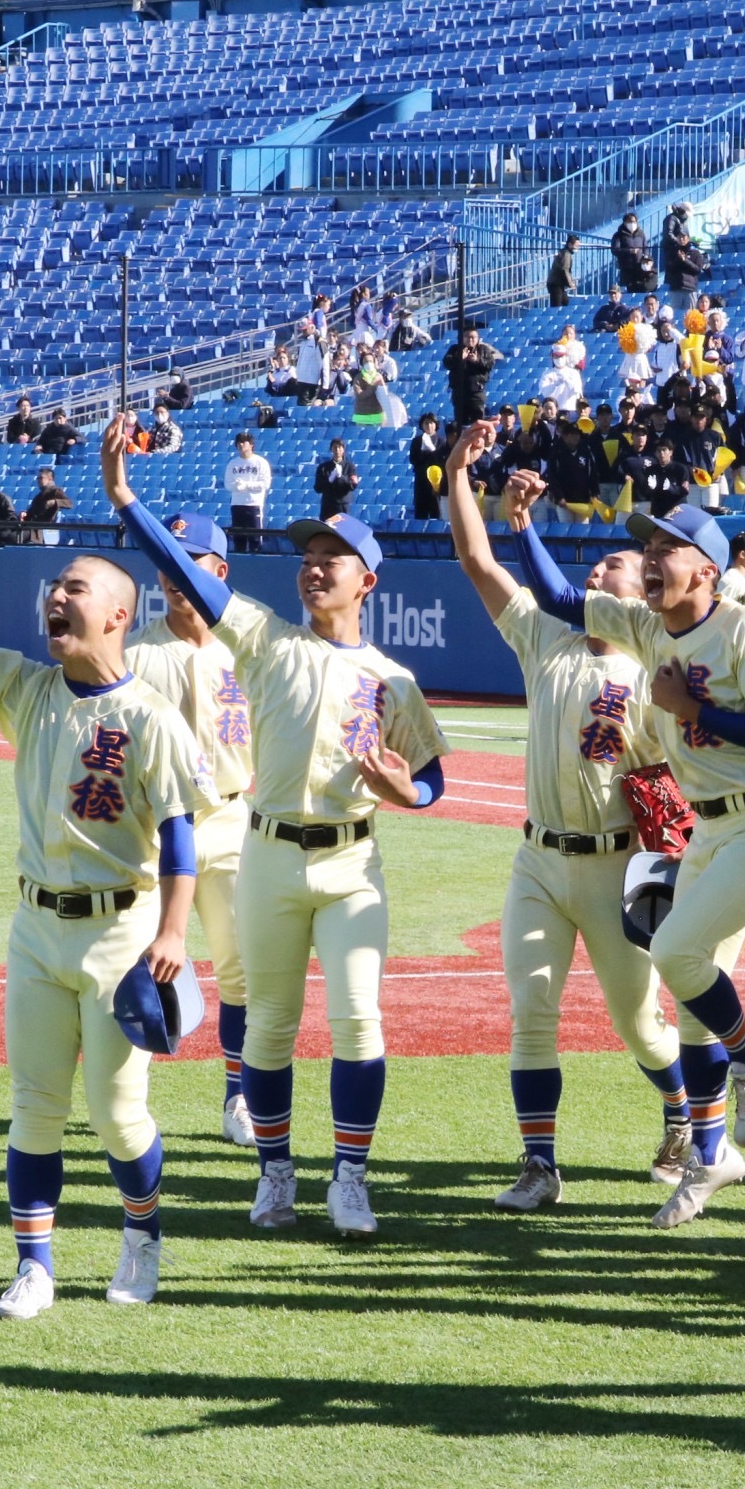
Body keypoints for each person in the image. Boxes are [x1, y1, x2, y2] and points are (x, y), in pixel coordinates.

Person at [107, 414, 450, 1240]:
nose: (312, 569)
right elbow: (187, 577)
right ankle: (275, 1175)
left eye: (330, 559)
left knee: (360, 1019)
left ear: (367, 579)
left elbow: (433, 777)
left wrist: (410, 794)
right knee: (268, 1024)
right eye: (305, 558)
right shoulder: (264, 641)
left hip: (351, 866)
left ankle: (352, 1178)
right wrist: (124, 497)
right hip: (266, 854)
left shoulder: (390, 678)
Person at [0, 515, 199, 1318]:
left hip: (122, 933)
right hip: (36, 931)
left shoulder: (151, 719)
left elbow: (182, 839)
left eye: (75, 588)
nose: (57, 597)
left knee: (119, 1116)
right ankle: (34, 1267)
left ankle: (143, 1234)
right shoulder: (29, 687)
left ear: (118, 615)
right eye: (55, 588)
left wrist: (174, 933)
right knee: (34, 1104)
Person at [510, 456, 745, 1228]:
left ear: (706, 568)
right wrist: (523, 526)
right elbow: (556, 597)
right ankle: (709, 1159)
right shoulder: (645, 626)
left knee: (677, 956)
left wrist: (690, 710)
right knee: (688, 991)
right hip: (708, 829)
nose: (648, 558)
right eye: (644, 546)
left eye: (666, 547)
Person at [437, 423, 695, 1207]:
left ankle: (681, 1111)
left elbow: (683, 783)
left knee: (640, 1025)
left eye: (615, 563)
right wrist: (459, 476)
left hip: (620, 867)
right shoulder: (545, 638)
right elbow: (477, 561)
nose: (602, 568)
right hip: (540, 864)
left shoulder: (658, 669)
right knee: (532, 1007)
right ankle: (540, 1165)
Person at [121, 510, 258, 1147]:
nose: (177, 574)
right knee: (137, 964)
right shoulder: (138, 653)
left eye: (192, 561)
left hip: (232, 817)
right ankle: (128, 1100)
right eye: (170, 560)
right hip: (156, 828)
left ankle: (240, 1097)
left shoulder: (249, 646)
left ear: (219, 572)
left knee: (242, 970)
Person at [222, 430, 273, 535]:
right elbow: (228, 484)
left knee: (255, 537)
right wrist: (236, 486)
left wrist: (247, 485)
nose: (241, 445)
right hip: (237, 504)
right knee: (239, 538)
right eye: (238, 442)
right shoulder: (233, 463)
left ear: (251, 445)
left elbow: (265, 484)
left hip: (254, 504)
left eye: (244, 442)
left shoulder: (261, 462)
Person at [24, 469, 71, 548]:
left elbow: (69, 503)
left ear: (50, 479)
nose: (38, 480)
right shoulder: (39, 496)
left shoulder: (55, 491)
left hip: (43, 527)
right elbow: (31, 512)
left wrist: (54, 502)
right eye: (37, 478)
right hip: (33, 525)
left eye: (41, 478)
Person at [315, 439, 360, 522]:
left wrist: (341, 477)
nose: (337, 450)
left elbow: (353, 485)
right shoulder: (323, 467)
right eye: (334, 447)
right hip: (327, 505)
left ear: (343, 449)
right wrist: (329, 480)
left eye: (339, 447)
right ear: (331, 449)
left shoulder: (350, 466)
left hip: (342, 505)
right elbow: (317, 488)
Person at [547, 234, 579, 308]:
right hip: (556, 283)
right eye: (576, 245)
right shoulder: (566, 254)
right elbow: (565, 269)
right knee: (556, 306)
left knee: (566, 303)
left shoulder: (564, 252)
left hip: (557, 283)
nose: (578, 248)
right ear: (570, 245)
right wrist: (570, 283)